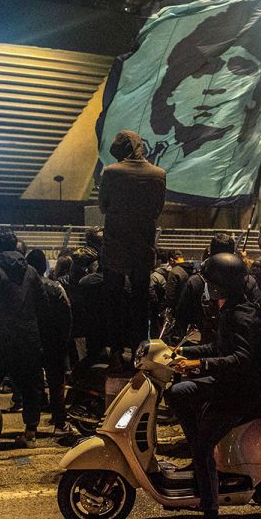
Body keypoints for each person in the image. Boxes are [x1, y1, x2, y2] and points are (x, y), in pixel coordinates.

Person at [166, 253, 261, 519]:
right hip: (229, 383)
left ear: (221, 286)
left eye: (211, 284)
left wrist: (200, 365)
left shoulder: (240, 314)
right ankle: (201, 450)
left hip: (240, 391)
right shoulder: (230, 309)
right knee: (177, 393)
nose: (207, 289)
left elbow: (241, 359)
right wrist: (185, 352)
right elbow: (220, 347)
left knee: (201, 446)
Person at [98, 130, 166, 366]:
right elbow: (157, 210)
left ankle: (116, 352)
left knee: (113, 302)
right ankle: (139, 353)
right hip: (143, 247)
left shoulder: (111, 172)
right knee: (141, 304)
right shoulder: (159, 174)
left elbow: (103, 206)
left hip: (116, 246)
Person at [0, 230, 46, 447]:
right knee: (30, 386)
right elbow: (43, 305)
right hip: (28, 338)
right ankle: (31, 433)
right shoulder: (32, 272)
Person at [25, 249, 74, 436]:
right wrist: (64, 341)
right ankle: (60, 423)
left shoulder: (25, 288)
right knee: (56, 385)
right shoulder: (55, 287)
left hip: (33, 342)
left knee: (33, 385)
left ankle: (31, 428)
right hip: (55, 342)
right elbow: (67, 317)